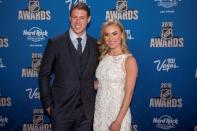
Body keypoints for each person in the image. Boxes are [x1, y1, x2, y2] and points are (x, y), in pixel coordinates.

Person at [38, 2, 98, 131]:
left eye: (82, 17)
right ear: (69, 18)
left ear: (88, 19)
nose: (78, 21)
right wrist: (48, 104)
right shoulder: (55, 43)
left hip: (87, 112)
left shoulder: (96, 45)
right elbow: (44, 75)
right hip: (61, 110)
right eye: (74, 17)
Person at [93, 19, 138, 131]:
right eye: (107, 34)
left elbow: (129, 94)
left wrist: (118, 121)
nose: (111, 38)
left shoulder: (129, 60)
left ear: (122, 35)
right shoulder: (103, 57)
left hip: (117, 114)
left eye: (114, 33)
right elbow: (100, 84)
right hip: (100, 112)